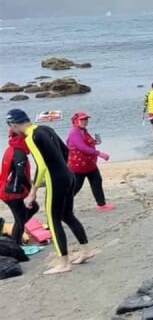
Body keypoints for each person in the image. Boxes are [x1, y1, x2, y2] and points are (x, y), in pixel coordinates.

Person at [6, 109, 95, 274]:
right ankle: (86, 250)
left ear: (14, 124)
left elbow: (41, 166)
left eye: (11, 127)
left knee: (53, 220)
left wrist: (32, 191)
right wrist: (61, 168)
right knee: (67, 215)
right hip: (69, 176)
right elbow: (66, 151)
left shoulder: (31, 137)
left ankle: (64, 263)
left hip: (56, 180)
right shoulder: (46, 129)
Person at [67, 111, 113, 211]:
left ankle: (101, 204)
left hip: (90, 164)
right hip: (78, 166)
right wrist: (99, 153)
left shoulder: (83, 130)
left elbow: (86, 143)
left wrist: (94, 142)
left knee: (97, 182)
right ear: (76, 121)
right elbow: (81, 147)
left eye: (86, 119)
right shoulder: (74, 132)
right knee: (76, 186)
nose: (85, 121)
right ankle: (62, 204)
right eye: (82, 119)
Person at [1, 128, 38, 245]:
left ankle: (15, 236)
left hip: (8, 188)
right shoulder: (19, 153)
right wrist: (31, 189)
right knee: (21, 218)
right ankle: (15, 244)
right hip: (11, 192)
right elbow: (20, 174)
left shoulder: (10, 149)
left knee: (30, 210)